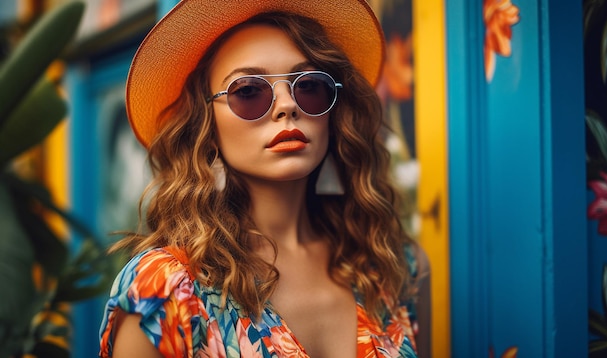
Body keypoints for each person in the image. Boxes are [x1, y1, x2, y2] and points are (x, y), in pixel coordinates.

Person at [98, 0, 431, 357]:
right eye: (248, 91)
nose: (287, 105)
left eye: (309, 86)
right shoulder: (164, 290)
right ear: (206, 127)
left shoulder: (389, 265)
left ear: (334, 113)